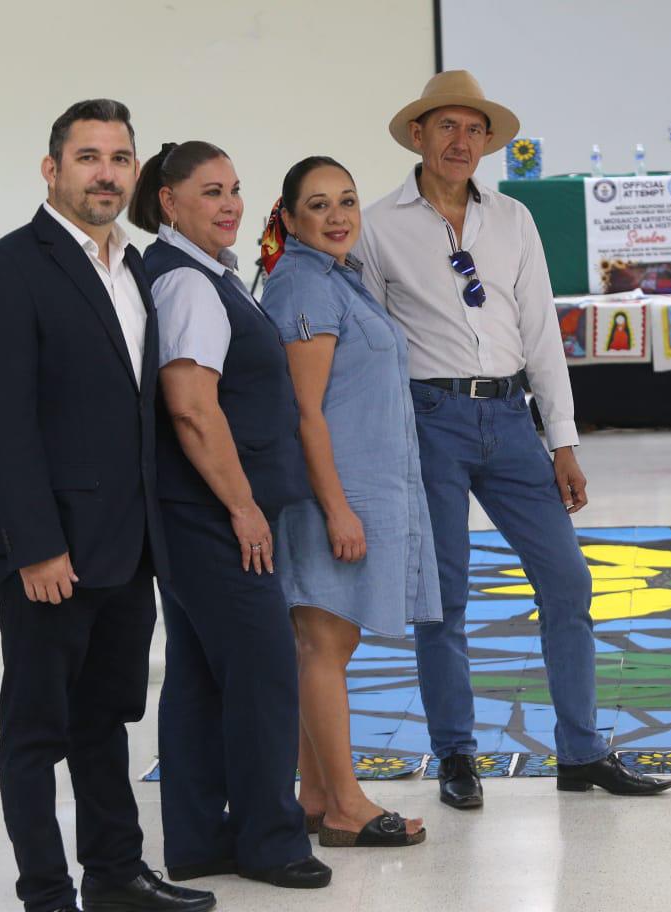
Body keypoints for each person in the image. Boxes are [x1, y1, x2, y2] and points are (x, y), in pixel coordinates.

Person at [358, 70, 671, 807]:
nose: (462, 141)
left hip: (508, 418)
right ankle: (457, 757)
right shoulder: (377, 227)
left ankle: (580, 752)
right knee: (443, 599)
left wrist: (561, 440)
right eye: (447, 127)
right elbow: (372, 347)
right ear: (418, 135)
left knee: (567, 581)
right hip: (426, 419)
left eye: (476, 130)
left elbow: (541, 334)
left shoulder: (514, 219)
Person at [0, 99, 214, 912]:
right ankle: (45, 892)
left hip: (127, 546)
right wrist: (35, 545)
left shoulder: (132, 268)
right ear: (52, 169)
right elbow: (2, 424)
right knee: (36, 732)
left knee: (104, 719)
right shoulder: (4, 268)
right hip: (49, 551)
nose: (106, 172)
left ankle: (114, 872)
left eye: (119, 158)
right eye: (89, 156)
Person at [128, 141, 331, 889]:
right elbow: (190, 406)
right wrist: (244, 506)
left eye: (236, 189)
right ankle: (272, 842)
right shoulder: (185, 283)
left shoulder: (206, 273)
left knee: (200, 679)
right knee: (263, 670)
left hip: (199, 513)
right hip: (212, 515)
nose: (230, 204)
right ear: (170, 203)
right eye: (211, 191)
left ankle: (199, 840)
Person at [259, 156, 439, 847]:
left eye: (347, 202)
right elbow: (304, 414)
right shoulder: (303, 285)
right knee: (325, 646)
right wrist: (336, 509)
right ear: (290, 218)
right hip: (331, 498)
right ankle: (346, 806)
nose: (337, 217)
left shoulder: (340, 279)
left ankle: (314, 794)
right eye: (318, 205)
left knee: (328, 644)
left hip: (364, 492)